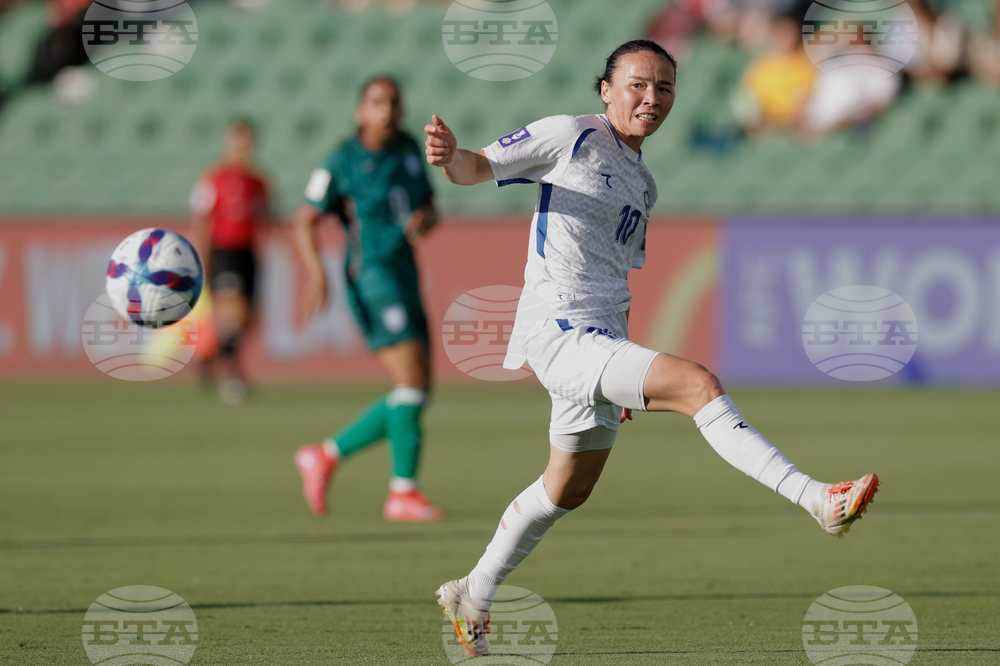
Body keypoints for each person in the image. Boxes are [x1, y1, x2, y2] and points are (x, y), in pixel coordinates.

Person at [424, 39, 879, 656]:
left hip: (599, 338)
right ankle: (819, 500)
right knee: (699, 386)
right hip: (560, 332)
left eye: (664, 88)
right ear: (605, 89)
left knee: (566, 489)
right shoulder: (571, 136)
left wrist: (621, 363)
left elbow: (614, 278)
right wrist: (450, 156)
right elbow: (476, 167)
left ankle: (472, 591)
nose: (651, 98)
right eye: (637, 84)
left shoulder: (644, 182)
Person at [293, 76, 444, 523]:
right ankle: (402, 493)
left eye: (393, 102)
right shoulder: (342, 160)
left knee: (417, 390)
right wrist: (317, 272)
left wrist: (425, 218)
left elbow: (430, 206)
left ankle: (325, 455)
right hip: (373, 277)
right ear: (360, 111)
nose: (387, 110)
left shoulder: (408, 149)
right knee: (411, 384)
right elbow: (304, 219)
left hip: (405, 274)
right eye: (377, 102)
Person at [190, 119, 272, 405]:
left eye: (246, 141)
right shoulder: (214, 178)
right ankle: (231, 376)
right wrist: (201, 258)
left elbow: (265, 217)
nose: (242, 146)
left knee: (248, 321)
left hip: (248, 253)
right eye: (237, 140)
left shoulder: (258, 181)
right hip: (223, 251)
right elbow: (201, 218)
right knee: (233, 314)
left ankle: (211, 355)